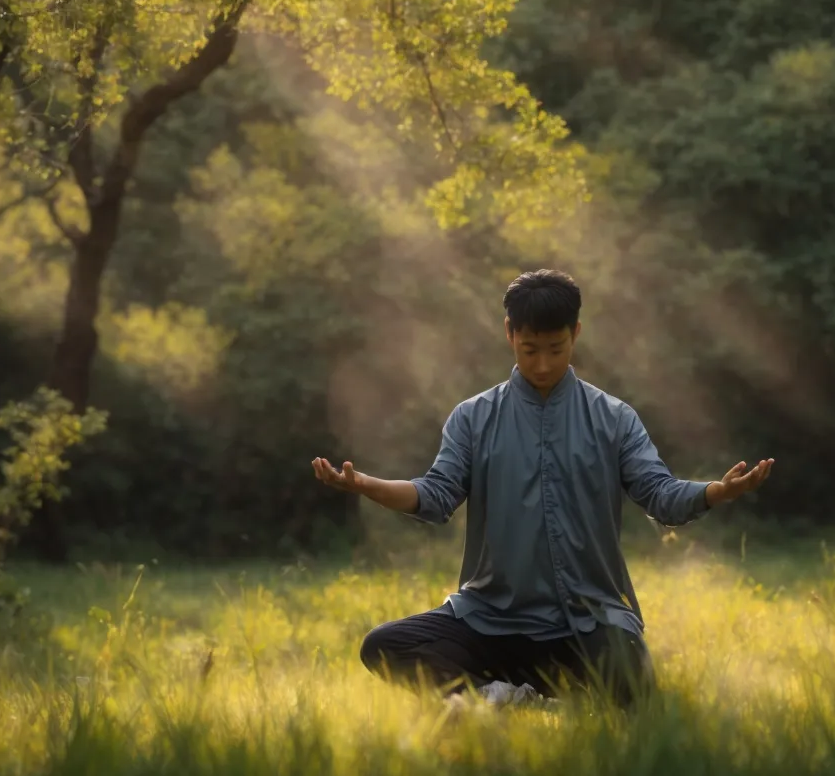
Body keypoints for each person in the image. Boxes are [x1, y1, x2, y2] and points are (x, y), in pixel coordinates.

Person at [310, 269, 773, 707]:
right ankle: (502, 699)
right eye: (530, 349)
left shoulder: (613, 418)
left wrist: (715, 491)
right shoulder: (473, 418)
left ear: (576, 332)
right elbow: (434, 497)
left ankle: (542, 696)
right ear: (509, 333)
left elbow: (661, 496)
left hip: (587, 622)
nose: (544, 364)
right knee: (385, 645)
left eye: (556, 347)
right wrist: (367, 484)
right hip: (492, 619)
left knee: (634, 688)